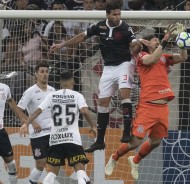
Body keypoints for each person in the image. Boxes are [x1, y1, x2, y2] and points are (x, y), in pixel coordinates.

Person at [49, 0, 140, 152]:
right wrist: (62, 45)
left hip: (124, 64)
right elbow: (81, 37)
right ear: (107, 15)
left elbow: (133, 44)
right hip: (108, 67)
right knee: (103, 103)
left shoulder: (125, 28)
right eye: (114, 14)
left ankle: (126, 133)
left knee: (125, 94)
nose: (117, 17)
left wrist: (138, 45)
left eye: (119, 14)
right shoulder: (99, 26)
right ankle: (99, 141)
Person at [104, 24, 188, 180]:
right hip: (147, 107)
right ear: (148, 44)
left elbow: (183, 57)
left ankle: (135, 160)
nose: (157, 41)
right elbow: (152, 58)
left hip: (162, 108)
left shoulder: (165, 57)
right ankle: (114, 157)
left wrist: (183, 43)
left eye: (158, 40)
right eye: (154, 40)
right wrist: (164, 39)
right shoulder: (141, 56)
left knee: (156, 141)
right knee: (135, 142)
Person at [19, 70, 97, 184]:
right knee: (80, 170)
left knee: (52, 172)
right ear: (73, 82)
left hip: (55, 140)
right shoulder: (77, 95)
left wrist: (26, 123)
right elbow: (84, 111)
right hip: (72, 139)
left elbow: (37, 111)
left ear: (60, 82)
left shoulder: (52, 95)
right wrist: (93, 126)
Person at [17, 62, 56, 184]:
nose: (45, 74)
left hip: (53, 132)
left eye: (46, 71)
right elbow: (19, 109)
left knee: (55, 162)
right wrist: (31, 122)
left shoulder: (52, 90)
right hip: (37, 134)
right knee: (41, 163)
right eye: (42, 71)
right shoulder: (30, 91)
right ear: (36, 74)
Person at [0, 82, 21, 184]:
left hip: (1, 132)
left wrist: (21, 117)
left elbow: (11, 101)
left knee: (11, 163)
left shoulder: (5, 88)